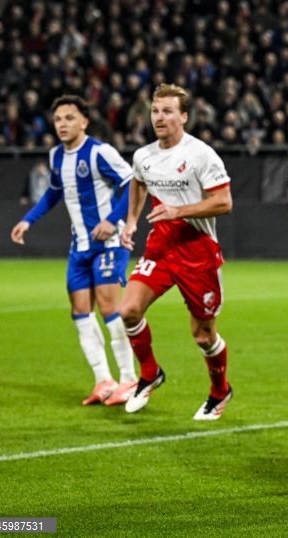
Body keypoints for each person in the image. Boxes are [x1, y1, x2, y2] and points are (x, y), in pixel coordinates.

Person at [10, 95, 137, 406]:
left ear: (84, 121)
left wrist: (113, 220)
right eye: (58, 119)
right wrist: (28, 220)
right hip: (79, 246)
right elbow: (54, 193)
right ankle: (103, 380)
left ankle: (129, 378)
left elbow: (132, 183)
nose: (62, 124)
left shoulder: (99, 152)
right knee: (80, 312)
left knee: (109, 308)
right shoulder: (56, 156)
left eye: (69, 118)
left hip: (108, 243)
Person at [117, 83, 234, 421]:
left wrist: (178, 211)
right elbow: (138, 181)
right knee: (128, 310)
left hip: (198, 251)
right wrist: (131, 222)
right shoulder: (144, 156)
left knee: (202, 334)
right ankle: (150, 373)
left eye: (168, 111)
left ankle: (219, 390)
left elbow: (224, 202)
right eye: (155, 111)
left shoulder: (200, 155)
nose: (160, 117)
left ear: (184, 116)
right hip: (162, 246)